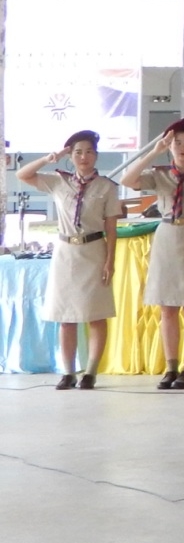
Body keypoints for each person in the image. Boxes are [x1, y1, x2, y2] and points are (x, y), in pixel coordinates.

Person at [122, 118, 184, 390]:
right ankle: (171, 366)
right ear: (169, 146)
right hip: (166, 236)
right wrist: (154, 151)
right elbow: (127, 180)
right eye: (177, 143)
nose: (182, 147)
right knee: (167, 307)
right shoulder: (159, 174)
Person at [19, 131, 120, 390]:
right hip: (66, 253)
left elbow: (111, 228)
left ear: (96, 155)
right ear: (70, 156)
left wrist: (110, 261)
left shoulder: (107, 187)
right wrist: (50, 157)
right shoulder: (58, 181)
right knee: (66, 316)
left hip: (94, 250)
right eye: (77, 152)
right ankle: (68, 372)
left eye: (89, 151)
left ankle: (91, 372)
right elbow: (23, 175)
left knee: (96, 315)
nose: (83, 157)